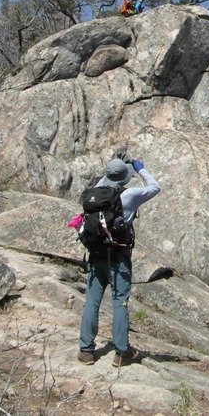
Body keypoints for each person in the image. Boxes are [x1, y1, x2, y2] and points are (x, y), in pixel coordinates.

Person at [78, 157, 161, 367]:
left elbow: (105, 180)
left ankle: (86, 350)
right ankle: (122, 352)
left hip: (96, 254)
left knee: (92, 302)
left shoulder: (95, 193)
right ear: (124, 177)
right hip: (118, 257)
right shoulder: (129, 195)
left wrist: (116, 168)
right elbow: (154, 187)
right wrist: (140, 169)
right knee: (120, 303)